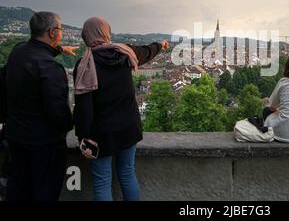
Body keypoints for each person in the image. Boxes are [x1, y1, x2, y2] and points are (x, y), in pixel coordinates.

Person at [73, 17, 169, 201]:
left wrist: (83, 138)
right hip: (128, 128)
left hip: (101, 135)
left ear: (87, 36)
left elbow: (83, 109)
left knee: (102, 183)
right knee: (127, 174)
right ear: (106, 32)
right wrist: (160, 44)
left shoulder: (85, 65)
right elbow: (146, 52)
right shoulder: (125, 52)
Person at [4, 12, 77, 201]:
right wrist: (70, 124)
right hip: (44, 145)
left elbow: (36, 49)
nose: (62, 33)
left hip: (15, 137)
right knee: (45, 192)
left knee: (17, 191)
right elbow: (58, 113)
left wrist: (60, 49)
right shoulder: (50, 68)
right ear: (53, 32)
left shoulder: (17, 52)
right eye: (61, 30)